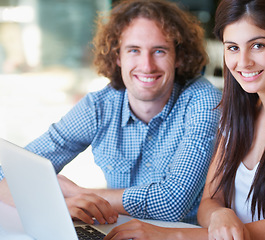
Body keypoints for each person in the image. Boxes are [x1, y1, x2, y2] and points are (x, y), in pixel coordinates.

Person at [103, 0, 265, 239]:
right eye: (233, 47)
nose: (242, 62)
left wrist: (171, 235)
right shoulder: (238, 108)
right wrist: (221, 214)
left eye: (258, 45)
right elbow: (208, 203)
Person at [0, 0, 221, 226]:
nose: (147, 65)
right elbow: (9, 173)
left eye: (159, 51)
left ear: (180, 57)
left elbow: (172, 202)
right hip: (116, 231)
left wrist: (78, 195)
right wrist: (53, 202)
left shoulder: (203, 101)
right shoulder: (99, 107)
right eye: (133, 50)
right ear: (117, 56)